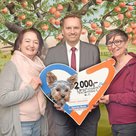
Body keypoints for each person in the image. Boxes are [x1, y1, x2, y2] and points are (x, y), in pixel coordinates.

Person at [44, 14, 101, 136]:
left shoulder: (93, 50)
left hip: (88, 114)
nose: (72, 31)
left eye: (76, 28)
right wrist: (55, 100)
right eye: (68, 28)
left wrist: (96, 99)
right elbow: (46, 82)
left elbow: (99, 80)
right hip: (61, 115)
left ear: (81, 29)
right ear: (62, 30)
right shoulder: (52, 53)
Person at [0, 28, 48, 136]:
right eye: (27, 41)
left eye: (36, 42)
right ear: (19, 44)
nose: (31, 45)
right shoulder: (12, 66)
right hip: (20, 125)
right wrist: (30, 89)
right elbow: (3, 98)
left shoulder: (39, 66)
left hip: (38, 122)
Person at [99, 29, 136, 136]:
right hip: (115, 123)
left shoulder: (134, 66)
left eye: (118, 41)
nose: (114, 46)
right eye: (110, 43)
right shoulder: (110, 66)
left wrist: (111, 98)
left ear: (126, 42)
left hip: (130, 123)